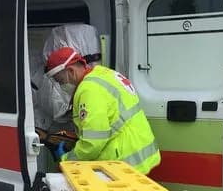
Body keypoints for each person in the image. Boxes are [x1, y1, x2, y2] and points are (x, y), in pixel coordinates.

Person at [43, 46, 160, 174]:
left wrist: (66, 160)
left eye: (61, 81)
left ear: (71, 71)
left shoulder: (89, 90)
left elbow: (93, 142)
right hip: (139, 151)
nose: (61, 86)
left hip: (124, 162)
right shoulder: (104, 73)